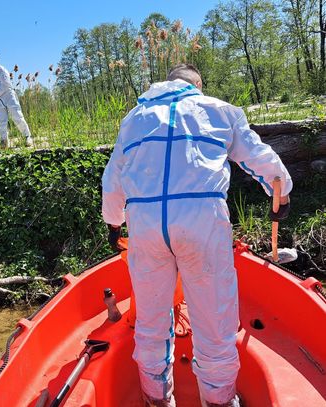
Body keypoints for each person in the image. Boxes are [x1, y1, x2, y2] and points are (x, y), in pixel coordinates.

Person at [101, 64, 292, 407]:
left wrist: (114, 224)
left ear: (166, 83)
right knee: (214, 326)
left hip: (144, 225)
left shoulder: (134, 118)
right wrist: (282, 194)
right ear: (197, 86)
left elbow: (112, 179)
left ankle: (157, 401)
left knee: (151, 323)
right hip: (201, 222)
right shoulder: (220, 111)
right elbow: (261, 158)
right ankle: (218, 403)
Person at [0, 52, 33, 148]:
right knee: (1, 121)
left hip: (8, 96)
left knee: (17, 116)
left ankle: (27, 137)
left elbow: (6, 85)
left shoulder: (2, 70)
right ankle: (4, 141)